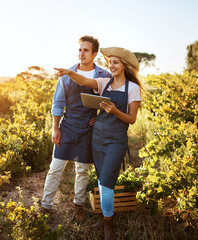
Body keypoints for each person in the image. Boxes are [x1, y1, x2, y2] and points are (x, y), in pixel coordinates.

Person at [55, 46, 142, 239]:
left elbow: (132, 119)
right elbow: (84, 80)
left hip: (116, 142)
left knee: (106, 184)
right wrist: (70, 72)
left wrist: (114, 111)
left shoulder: (133, 88)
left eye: (115, 62)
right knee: (102, 179)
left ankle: (108, 224)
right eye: (109, 62)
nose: (111, 65)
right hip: (98, 139)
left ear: (124, 65)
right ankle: (105, 216)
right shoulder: (104, 83)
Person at [40, 36, 111, 223]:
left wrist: (100, 117)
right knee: (55, 168)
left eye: (86, 50)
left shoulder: (103, 76)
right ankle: (45, 205)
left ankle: (78, 206)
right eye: (80, 50)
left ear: (94, 54)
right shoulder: (67, 74)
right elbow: (58, 103)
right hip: (68, 126)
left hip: (88, 130)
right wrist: (55, 128)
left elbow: (112, 102)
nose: (81, 53)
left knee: (83, 171)